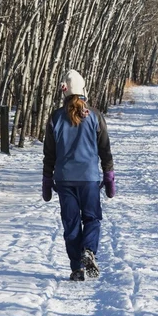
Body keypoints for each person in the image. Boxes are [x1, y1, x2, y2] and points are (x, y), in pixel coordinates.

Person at [42, 69, 115, 281]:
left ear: (64, 92)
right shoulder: (95, 116)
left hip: (64, 179)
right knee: (92, 218)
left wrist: (47, 179)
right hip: (89, 178)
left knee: (71, 223)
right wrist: (108, 174)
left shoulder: (56, 117)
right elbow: (105, 149)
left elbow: (49, 153)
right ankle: (89, 250)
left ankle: (76, 268)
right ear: (83, 90)